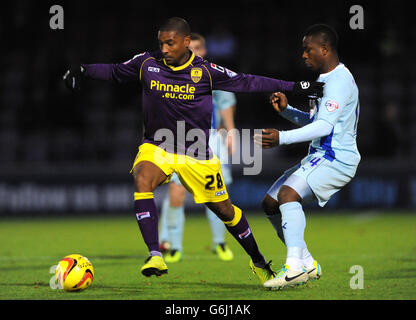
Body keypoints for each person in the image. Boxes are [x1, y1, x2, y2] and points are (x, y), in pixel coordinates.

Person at [63, 17, 323, 285]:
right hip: (158, 146)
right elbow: (115, 71)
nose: (163, 49)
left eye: (170, 43)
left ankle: (258, 261)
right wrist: (82, 69)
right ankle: (155, 254)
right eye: (161, 43)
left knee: (225, 211)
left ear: (186, 42)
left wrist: (295, 86)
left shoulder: (206, 71)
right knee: (142, 177)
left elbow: (247, 81)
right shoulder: (146, 63)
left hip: (197, 153)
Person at [254, 24, 361, 290]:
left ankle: (294, 267)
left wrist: (282, 137)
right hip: (320, 155)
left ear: (324, 49)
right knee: (270, 203)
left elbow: (325, 128)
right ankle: (307, 262)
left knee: (288, 195)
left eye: (308, 49)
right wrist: (287, 111)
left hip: (337, 158)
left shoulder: (339, 81)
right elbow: (316, 120)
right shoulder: (323, 81)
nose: (303, 55)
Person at [159, 32, 236, 263]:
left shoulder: (214, 75)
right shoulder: (168, 75)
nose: (193, 52)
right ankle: (174, 246)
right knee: (176, 191)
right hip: (178, 139)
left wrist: (230, 132)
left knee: (218, 193)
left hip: (210, 138)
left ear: (204, 51)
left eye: (197, 48)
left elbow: (225, 106)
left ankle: (219, 243)